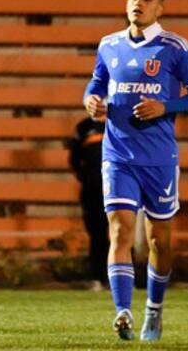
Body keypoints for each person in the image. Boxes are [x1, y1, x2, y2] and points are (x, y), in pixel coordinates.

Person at [83, 0, 188, 342]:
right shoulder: (108, 45)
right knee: (120, 231)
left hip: (159, 159)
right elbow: (95, 85)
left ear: (160, 7)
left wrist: (165, 106)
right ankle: (123, 310)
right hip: (117, 154)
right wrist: (91, 101)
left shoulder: (174, 47)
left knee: (159, 242)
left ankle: (153, 311)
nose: (138, 3)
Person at [69, 116, 108, 290]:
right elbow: (74, 159)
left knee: (121, 233)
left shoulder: (121, 121)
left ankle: (123, 279)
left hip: (118, 187)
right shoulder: (84, 127)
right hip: (93, 190)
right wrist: (86, 177)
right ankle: (97, 277)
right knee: (97, 234)